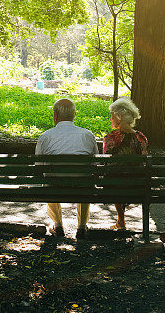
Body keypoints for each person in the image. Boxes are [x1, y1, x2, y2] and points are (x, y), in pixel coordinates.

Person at [35, 98, 98, 239]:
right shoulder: (87, 135)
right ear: (74, 115)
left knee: (49, 179)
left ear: (55, 115)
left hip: (54, 185)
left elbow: (38, 168)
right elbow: (95, 165)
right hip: (82, 185)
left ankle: (57, 225)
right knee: (85, 179)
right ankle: (81, 226)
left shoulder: (45, 136)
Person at [102, 97, 148, 231]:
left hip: (114, 185)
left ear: (119, 116)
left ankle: (121, 221)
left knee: (115, 175)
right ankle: (120, 221)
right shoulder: (141, 138)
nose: (111, 120)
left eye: (112, 116)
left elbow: (107, 163)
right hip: (137, 184)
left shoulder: (110, 138)